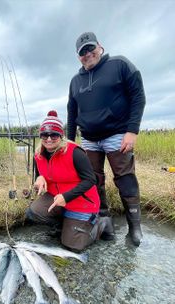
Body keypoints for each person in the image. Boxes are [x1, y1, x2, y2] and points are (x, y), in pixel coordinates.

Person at [67, 32, 146, 246]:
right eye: (82, 52)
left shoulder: (119, 64)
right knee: (93, 179)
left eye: (90, 48)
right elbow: (71, 112)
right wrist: (70, 141)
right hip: (89, 139)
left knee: (125, 178)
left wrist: (132, 131)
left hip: (118, 135)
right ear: (78, 56)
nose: (88, 54)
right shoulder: (75, 81)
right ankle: (105, 222)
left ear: (100, 47)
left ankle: (134, 228)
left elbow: (138, 95)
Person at [26, 110, 103, 252]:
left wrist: (66, 197)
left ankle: (99, 224)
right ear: (40, 136)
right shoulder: (38, 155)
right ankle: (65, 225)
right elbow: (40, 175)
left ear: (61, 136)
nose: (49, 139)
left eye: (54, 135)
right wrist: (39, 178)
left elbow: (90, 180)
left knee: (72, 247)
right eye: (44, 135)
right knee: (33, 212)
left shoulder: (75, 152)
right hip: (56, 198)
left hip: (81, 201)